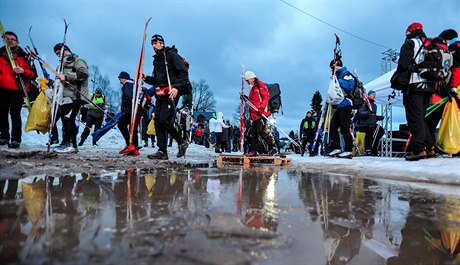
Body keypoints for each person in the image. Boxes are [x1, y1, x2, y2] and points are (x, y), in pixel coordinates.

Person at [144, 34, 188, 160]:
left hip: (171, 92)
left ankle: (181, 141)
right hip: (160, 94)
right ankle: (162, 151)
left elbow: (183, 73)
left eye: (155, 42)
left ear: (162, 43)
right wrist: (145, 78)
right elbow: (157, 80)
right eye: (152, 43)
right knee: (157, 122)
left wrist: (177, 87)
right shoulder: (156, 60)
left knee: (164, 120)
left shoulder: (172, 55)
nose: (153, 45)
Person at [396, 22, 436, 161]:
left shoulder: (411, 43)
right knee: (422, 118)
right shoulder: (430, 44)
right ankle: (430, 147)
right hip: (430, 86)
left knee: (414, 118)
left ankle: (419, 149)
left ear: (410, 31)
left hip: (414, 85)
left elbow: (403, 65)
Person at [425, 29, 460, 155]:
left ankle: (431, 147)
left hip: (447, 92)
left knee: (430, 120)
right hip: (452, 90)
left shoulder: (452, 48)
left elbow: (456, 70)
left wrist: (452, 87)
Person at [0, 31, 36, 149]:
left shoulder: (24, 55)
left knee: (15, 113)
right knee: (2, 113)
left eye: (12, 39)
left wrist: (23, 71)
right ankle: (4, 136)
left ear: (17, 42)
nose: (10, 41)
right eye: (7, 39)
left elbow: (33, 74)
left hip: (18, 89)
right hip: (2, 88)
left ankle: (16, 139)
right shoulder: (0, 53)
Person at [52, 43, 89, 154]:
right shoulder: (62, 64)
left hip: (76, 96)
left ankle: (73, 145)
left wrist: (67, 76)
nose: (58, 55)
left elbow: (84, 73)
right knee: (65, 119)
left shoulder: (77, 60)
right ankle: (65, 142)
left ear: (66, 50)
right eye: (57, 54)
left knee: (69, 119)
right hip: (65, 96)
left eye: (59, 53)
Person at [243, 71, 277, 157]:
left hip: (261, 113)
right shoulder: (252, 87)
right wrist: (246, 98)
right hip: (254, 114)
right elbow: (253, 101)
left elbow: (266, 97)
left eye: (248, 80)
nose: (247, 82)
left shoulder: (260, 85)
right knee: (253, 133)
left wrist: (261, 108)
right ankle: (254, 151)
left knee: (260, 131)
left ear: (252, 78)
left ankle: (272, 148)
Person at [326, 59, 355, 159]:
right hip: (339, 105)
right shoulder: (338, 75)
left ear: (337, 65)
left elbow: (349, 86)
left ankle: (348, 149)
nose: (332, 70)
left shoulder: (346, 73)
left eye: (332, 67)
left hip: (346, 104)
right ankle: (336, 147)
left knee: (344, 127)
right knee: (332, 126)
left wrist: (337, 80)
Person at [353, 90, 384, 156]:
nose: (374, 96)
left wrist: (378, 117)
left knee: (381, 131)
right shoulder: (364, 103)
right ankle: (368, 149)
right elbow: (360, 113)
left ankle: (374, 148)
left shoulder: (374, 105)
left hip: (371, 124)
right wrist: (367, 113)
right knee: (370, 134)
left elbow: (372, 117)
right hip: (364, 124)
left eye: (375, 94)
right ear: (368, 95)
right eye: (372, 94)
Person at [117, 71, 141, 156]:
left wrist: (123, 106)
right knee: (133, 128)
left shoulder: (127, 84)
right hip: (138, 110)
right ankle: (135, 149)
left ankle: (129, 145)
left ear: (123, 78)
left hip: (131, 109)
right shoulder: (135, 84)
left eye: (120, 79)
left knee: (121, 124)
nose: (120, 81)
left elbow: (128, 96)